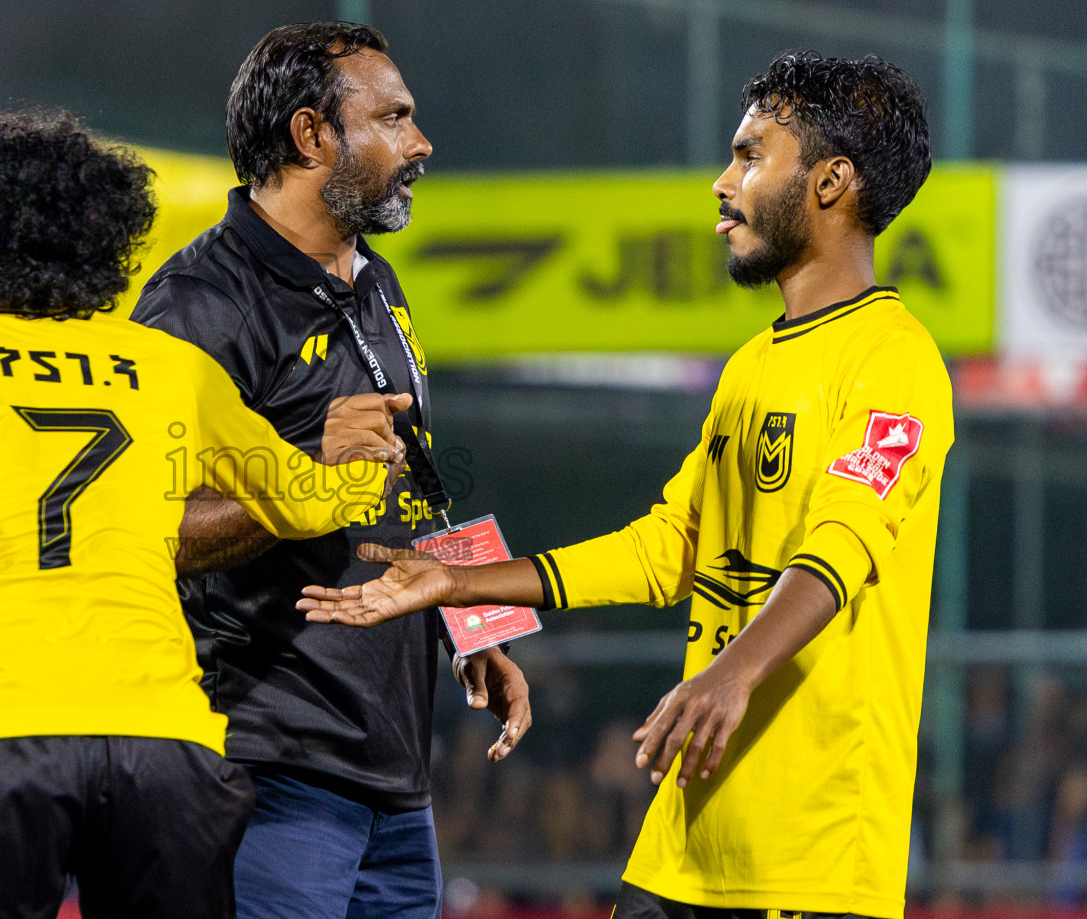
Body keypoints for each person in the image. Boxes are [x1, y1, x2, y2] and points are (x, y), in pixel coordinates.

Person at [300, 51, 951, 919]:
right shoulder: (755, 364)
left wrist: (732, 673)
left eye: (752, 156)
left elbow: (845, 544)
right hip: (682, 850)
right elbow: (665, 547)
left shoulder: (894, 356)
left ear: (833, 182)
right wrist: (458, 582)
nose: (724, 183)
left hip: (808, 863)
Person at [0, 110, 400, 919]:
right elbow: (307, 502)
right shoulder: (173, 370)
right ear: (107, 248)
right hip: (166, 748)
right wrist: (355, 459)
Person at [131, 21, 532, 918]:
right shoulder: (201, 303)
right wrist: (307, 474)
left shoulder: (378, 284)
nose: (421, 144)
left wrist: (474, 617)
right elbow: (143, 533)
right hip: (266, 768)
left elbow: (414, 478)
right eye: (393, 118)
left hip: (396, 778)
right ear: (313, 136)